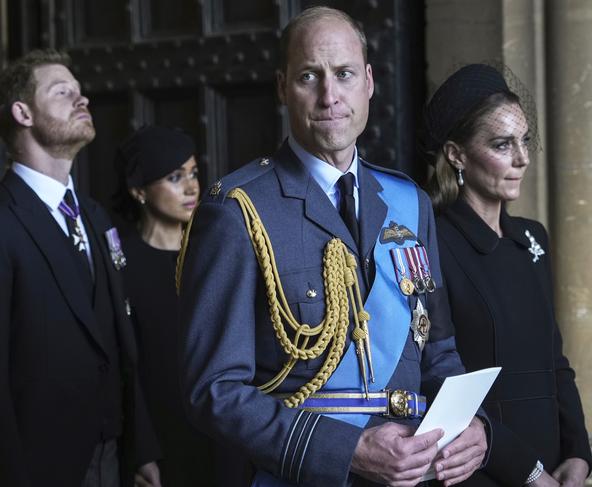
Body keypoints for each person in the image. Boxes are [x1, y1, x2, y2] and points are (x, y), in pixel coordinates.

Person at [177, 7, 488, 487]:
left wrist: (475, 425)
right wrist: (348, 451)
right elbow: (213, 391)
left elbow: (438, 351)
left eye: (343, 74)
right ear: (283, 87)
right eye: (309, 76)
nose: (329, 96)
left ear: (368, 82)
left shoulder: (409, 201)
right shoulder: (239, 210)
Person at [421, 64, 592, 486]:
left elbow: (555, 359)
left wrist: (579, 452)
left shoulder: (532, 238)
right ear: (456, 154)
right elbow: (443, 381)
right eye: (503, 144)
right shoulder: (432, 244)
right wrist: (527, 472)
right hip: (482, 469)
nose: (523, 158)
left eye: (525, 141)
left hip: (552, 463)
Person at [0, 49, 161, 487]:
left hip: (112, 455)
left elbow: (120, 341)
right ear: (23, 112)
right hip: (38, 466)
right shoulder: (4, 221)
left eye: (81, 90)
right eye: (62, 91)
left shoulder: (93, 216)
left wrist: (140, 448)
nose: (82, 99)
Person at [113, 125, 220, 486]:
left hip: (223, 435)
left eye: (193, 173)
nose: (192, 187)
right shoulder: (120, 265)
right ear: (139, 190)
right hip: (160, 438)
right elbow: (123, 369)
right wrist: (141, 451)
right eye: (175, 177)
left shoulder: (214, 255)